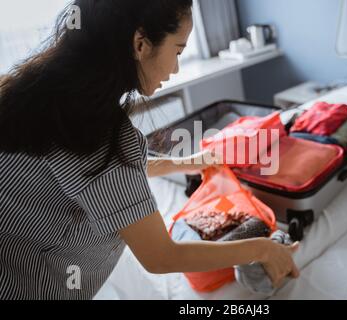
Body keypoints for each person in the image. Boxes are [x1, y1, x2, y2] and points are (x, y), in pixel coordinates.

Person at [0, 0, 299, 300]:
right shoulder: (100, 134)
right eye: (178, 50)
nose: (176, 67)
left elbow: (96, 178)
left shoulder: (32, 91)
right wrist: (263, 249)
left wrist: (189, 162)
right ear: (140, 43)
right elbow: (162, 256)